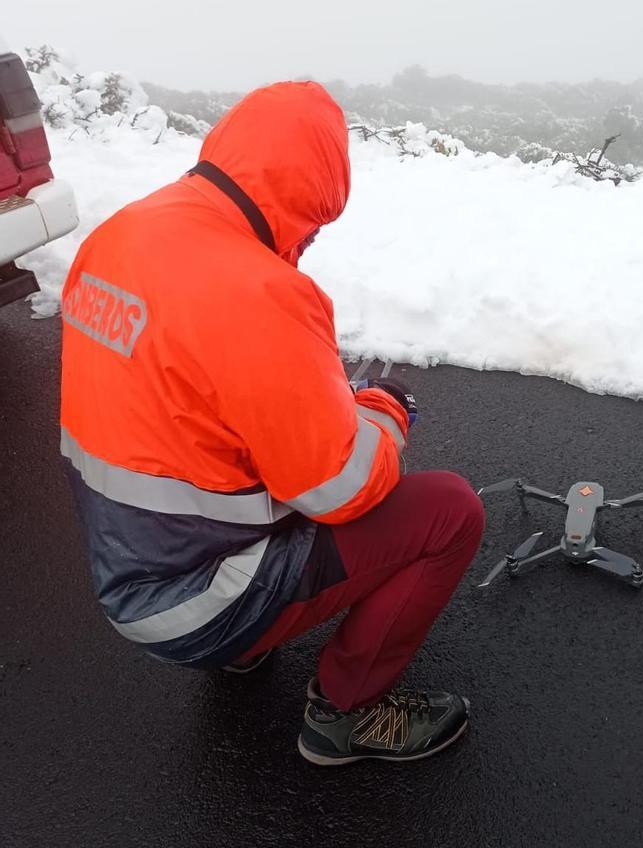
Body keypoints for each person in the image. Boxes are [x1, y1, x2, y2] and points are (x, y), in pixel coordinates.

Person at [59, 81, 485, 765]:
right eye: (317, 220)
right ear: (307, 194)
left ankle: (247, 649)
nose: (312, 239)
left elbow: (183, 408)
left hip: (128, 574)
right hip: (198, 600)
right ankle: (347, 715)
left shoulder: (121, 236)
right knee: (450, 512)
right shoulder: (258, 292)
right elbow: (341, 488)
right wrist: (384, 409)